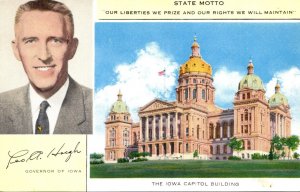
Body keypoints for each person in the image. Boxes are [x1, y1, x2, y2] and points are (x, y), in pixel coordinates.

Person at [0, 0, 92, 134]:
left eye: (56, 41)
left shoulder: (94, 108)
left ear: (72, 48)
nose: (44, 56)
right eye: (30, 41)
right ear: (16, 50)